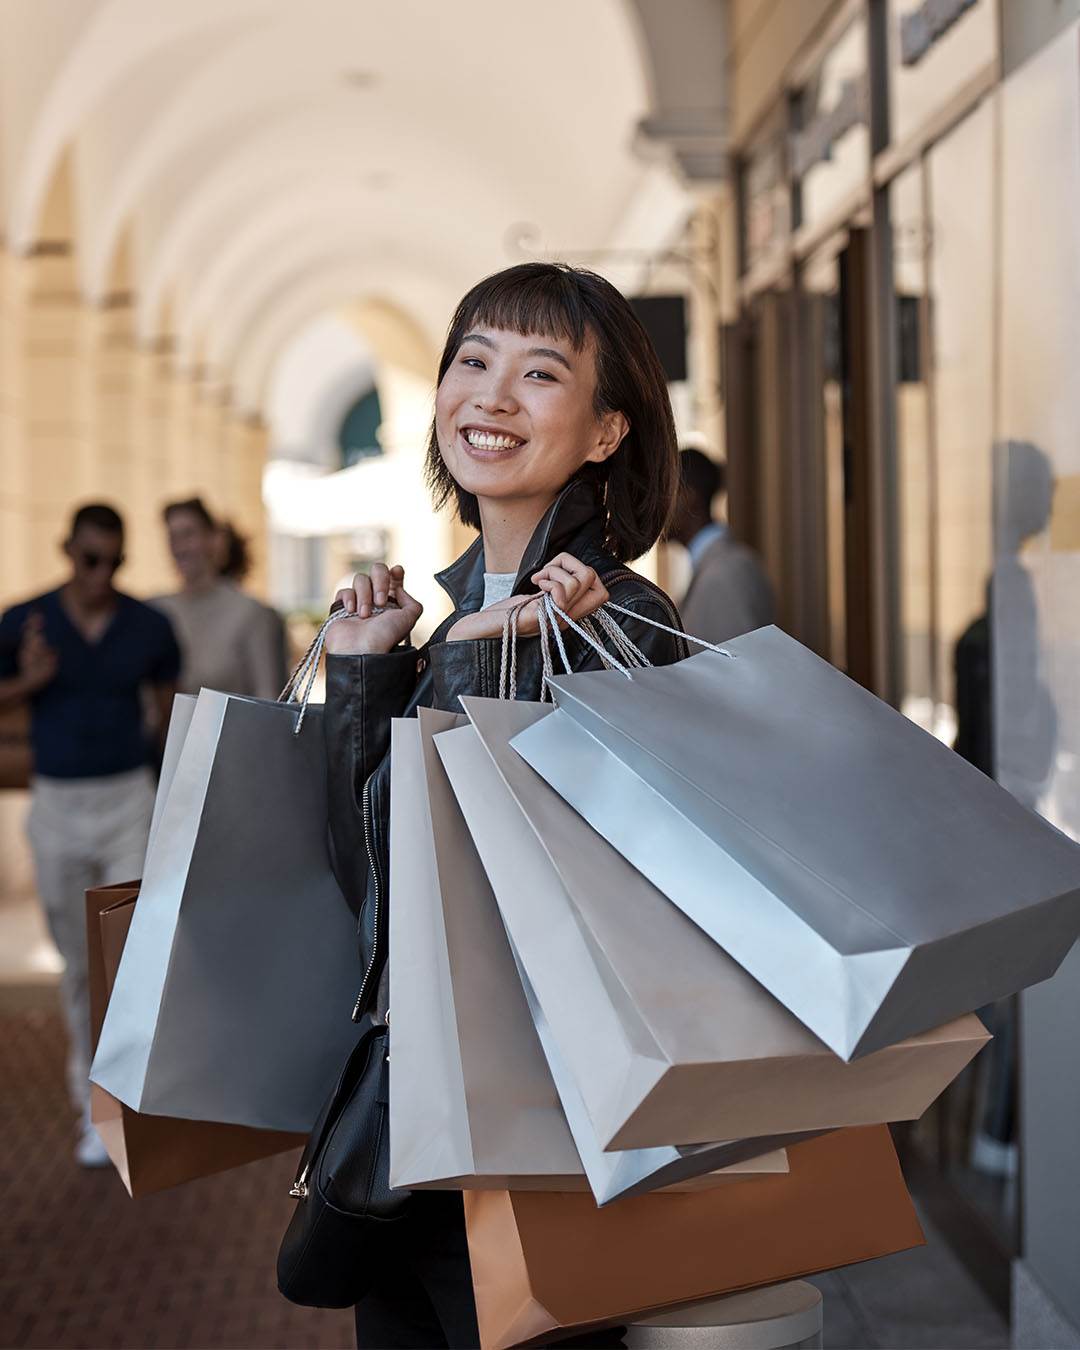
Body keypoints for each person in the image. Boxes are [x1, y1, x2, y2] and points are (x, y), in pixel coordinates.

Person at [321, 262, 689, 1349]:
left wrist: (511, 671)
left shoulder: (624, 615)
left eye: (539, 374)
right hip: (413, 1096)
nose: (490, 395)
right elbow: (373, 870)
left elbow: (572, 885)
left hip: (541, 1116)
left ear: (606, 431)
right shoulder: (453, 611)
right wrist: (364, 672)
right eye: (471, 361)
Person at [0, 503, 180, 1166]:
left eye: (114, 561)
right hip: (56, 804)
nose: (101, 574)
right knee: (79, 965)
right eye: (89, 559)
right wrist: (31, 680)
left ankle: (125, 1105)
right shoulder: (26, 620)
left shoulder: (149, 626)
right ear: (67, 550)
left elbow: (166, 717)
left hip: (127, 799)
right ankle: (92, 1109)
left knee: (124, 955)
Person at [152, 497, 287, 701]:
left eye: (188, 534)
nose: (180, 547)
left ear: (215, 539)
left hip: (234, 732)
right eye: (173, 536)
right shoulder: (156, 610)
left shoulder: (252, 614)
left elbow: (270, 700)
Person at [666, 448, 774, 643]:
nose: (655, 506)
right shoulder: (715, 566)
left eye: (663, 493)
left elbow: (737, 666)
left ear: (688, 496)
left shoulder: (727, 572)